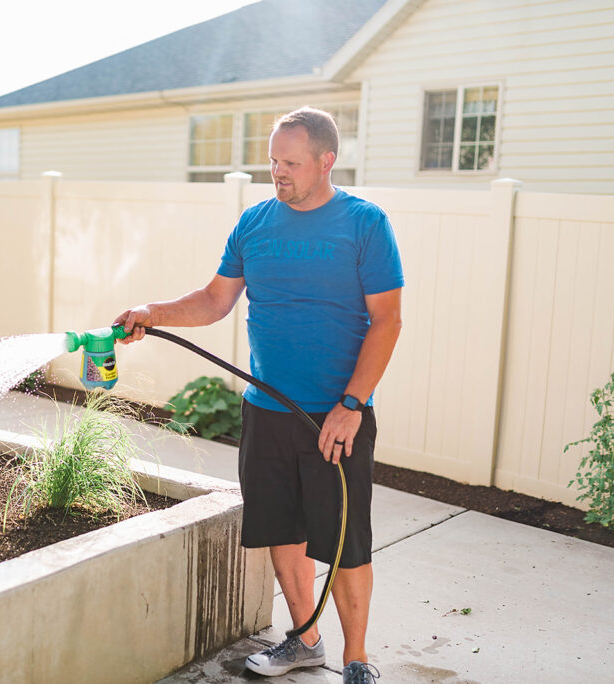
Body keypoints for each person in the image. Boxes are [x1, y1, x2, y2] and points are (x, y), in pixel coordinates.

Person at [114, 107, 402, 683]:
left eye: (290, 163)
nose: (278, 172)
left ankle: (357, 660)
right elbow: (215, 300)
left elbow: (388, 320)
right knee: (282, 531)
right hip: (268, 412)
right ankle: (305, 640)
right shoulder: (254, 224)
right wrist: (152, 312)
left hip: (336, 418)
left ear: (327, 161)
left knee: (346, 543)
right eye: (272, 160)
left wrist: (352, 405)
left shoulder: (365, 224)